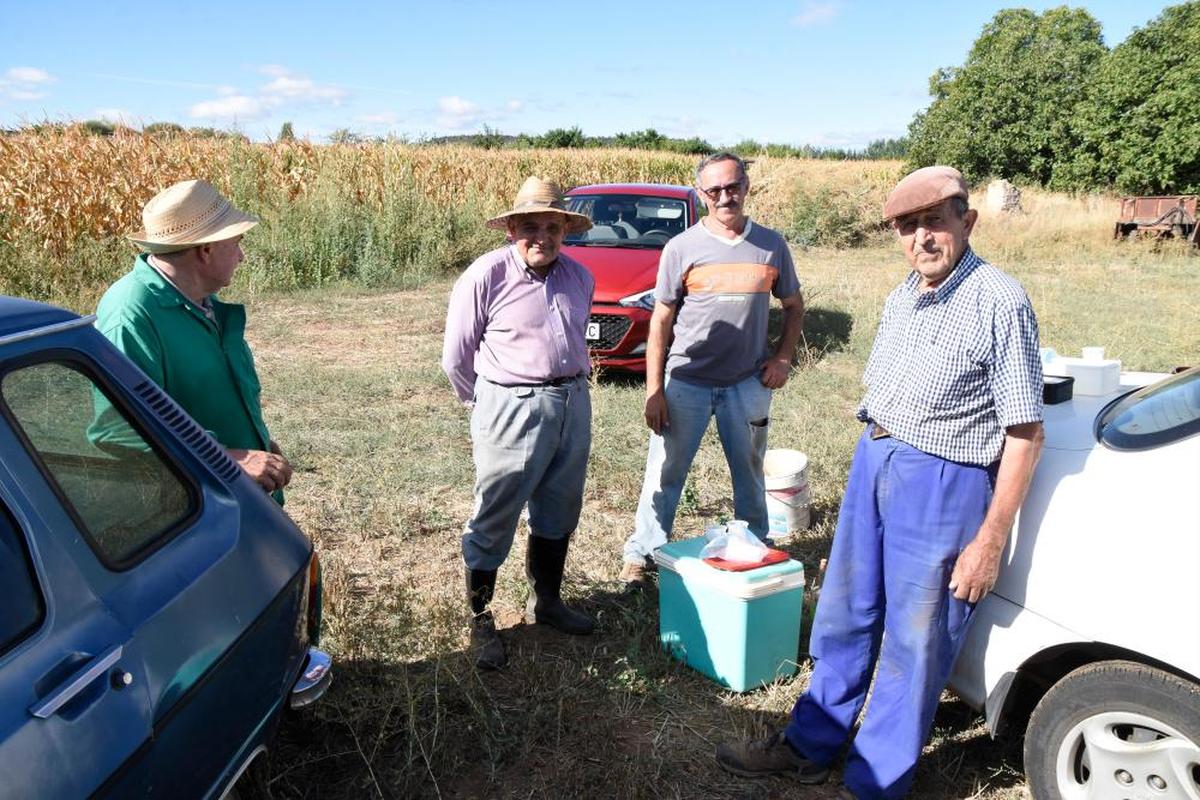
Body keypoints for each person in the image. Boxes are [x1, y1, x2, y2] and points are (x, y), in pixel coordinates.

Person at [715, 166, 1045, 800]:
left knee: (915, 639)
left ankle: (873, 782)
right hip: (877, 462)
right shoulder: (902, 295)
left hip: (945, 481)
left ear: (967, 223)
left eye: (935, 222)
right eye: (907, 226)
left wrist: (990, 538)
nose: (921, 237)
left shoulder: (1000, 301)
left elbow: (1025, 434)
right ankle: (810, 745)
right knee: (845, 615)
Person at [619, 152, 804, 585]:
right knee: (664, 475)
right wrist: (654, 389)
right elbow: (661, 320)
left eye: (733, 186)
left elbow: (793, 306)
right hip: (686, 382)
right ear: (702, 195)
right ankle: (643, 553)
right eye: (715, 190)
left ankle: (755, 548)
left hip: (746, 384)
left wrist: (782, 357)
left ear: (746, 186)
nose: (726, 196)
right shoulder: (681, 248)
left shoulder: (772, 245)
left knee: (750, 472)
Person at [442, 176, 597, 671]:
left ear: (565, 230)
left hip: (573, 400)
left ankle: (547, 603)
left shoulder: (579, 276)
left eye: (553, 226)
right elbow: (456, 359)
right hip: (511, 403)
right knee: (497, 511)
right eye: (530, 226)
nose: (542, 237)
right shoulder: (486, 275)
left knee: (560, 507)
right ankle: (481, 618)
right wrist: (486, 405)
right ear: (511, 228)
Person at [94, 179, 293, 501]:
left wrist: (255, 440)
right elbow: (118, 430)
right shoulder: (130, 315)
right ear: (207, 249)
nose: (242, 256)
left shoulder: (200, 299)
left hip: (238, 495)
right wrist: (230, 458)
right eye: (237, 242)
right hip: (196, 508)